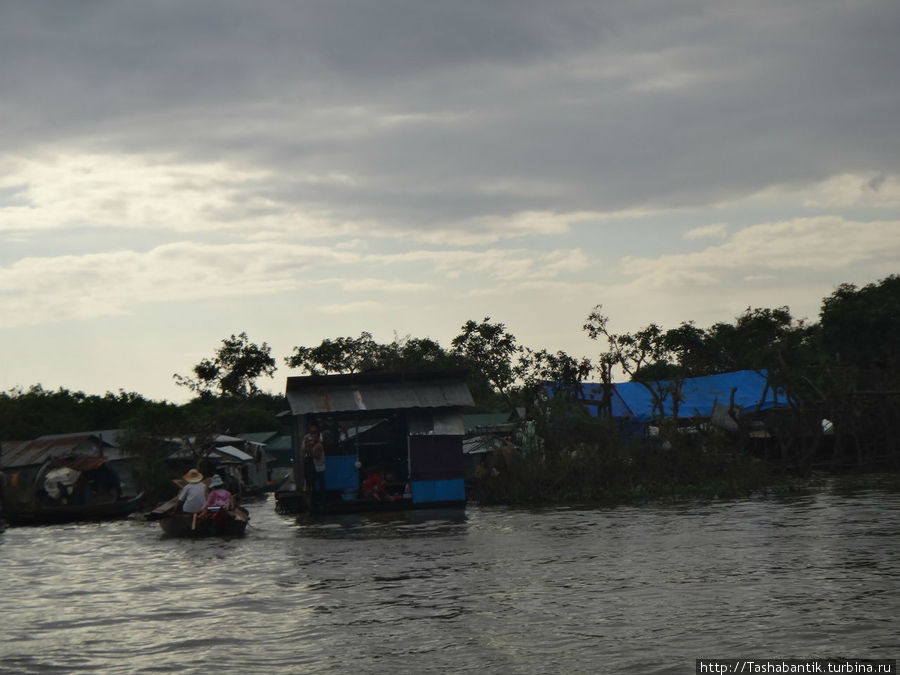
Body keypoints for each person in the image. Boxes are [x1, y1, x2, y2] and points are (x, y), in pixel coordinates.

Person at [303, 425, 327, 495]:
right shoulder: (313, 444)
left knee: (320, 484)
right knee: (317, 483)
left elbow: (317, 457)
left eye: (315, 435)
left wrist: (310, 451)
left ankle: (322, 501)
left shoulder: (318, 445)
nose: (313, 437)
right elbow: (304, 450)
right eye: (312, 434)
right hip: (316, 467)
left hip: (319, 468)